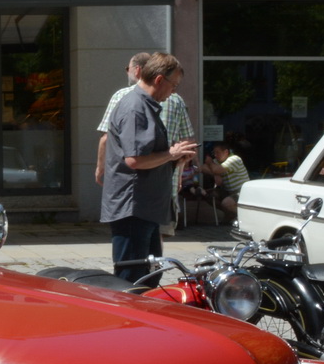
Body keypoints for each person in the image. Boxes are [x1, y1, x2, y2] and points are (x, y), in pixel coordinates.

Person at [100, 52, 198, 286]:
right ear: (159, 80)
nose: (173, 91)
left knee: (150, 274)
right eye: (173, 85)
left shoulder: (145, 105)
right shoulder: (135, 107)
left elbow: (146, 156)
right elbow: (135, 160)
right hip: (133, 207)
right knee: (132, 278)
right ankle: (126, 322)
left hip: (144, 206)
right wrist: (171, 154)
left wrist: (175, 158)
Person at [196, 141, 251, 219]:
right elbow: (203, 168)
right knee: (208, 195)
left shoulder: (234, 159)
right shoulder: (217, 161)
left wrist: (211, 163)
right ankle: (230, 215)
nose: (215, 155)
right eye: (214, 153)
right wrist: (215, 174)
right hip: (228, 191)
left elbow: (217, 169)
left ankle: (246, 218)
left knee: (227, 203)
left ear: (226, 152)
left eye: (218, 153)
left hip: (241, 191)